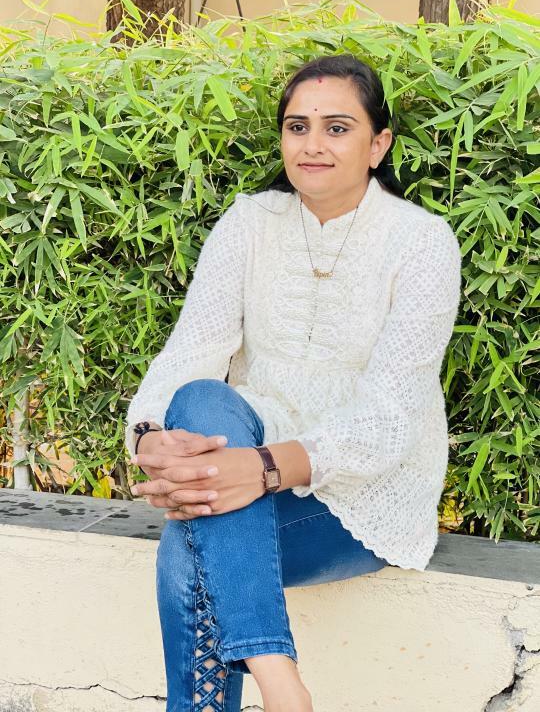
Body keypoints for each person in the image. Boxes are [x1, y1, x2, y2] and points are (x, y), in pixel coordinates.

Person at [125, 54, 462, 712]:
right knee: (198, 399)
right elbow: (191, 352)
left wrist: (263, 468)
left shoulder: (422, 242)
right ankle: (280, 680)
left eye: (337, 128)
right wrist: (150, 439)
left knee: (188, 549)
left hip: (361, 495)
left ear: (378, 145)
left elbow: (390, 417)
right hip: (241, 463)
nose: (312, 144)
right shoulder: (250, 222)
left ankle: (273, 687)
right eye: (297, 126)